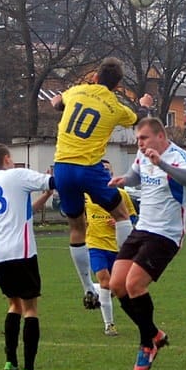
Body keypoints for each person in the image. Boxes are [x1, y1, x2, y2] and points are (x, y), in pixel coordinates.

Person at [50, 56, 153, 309]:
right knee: (121, 213)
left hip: (62, 167)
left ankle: (87, 287)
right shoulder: (114, 106)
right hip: (89, 168)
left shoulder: (76, 91)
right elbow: (136, 119)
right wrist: (144, 105)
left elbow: (56, 103)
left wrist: (61, 104)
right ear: (117, 86)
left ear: (95, 77)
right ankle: (125, 269)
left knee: (76, 227)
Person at [108, 117, 186, 370]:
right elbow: (136, 176)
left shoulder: (178, 156)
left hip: (166, 234)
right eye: (138, 139)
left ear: (161, 136)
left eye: (144, 138)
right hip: (143, 229)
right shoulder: (142, 157)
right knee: (116, 285)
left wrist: (162, 164)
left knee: (134, 285)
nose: (140, 143)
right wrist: (123, 180)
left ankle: (147, 343)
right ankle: (154, 334)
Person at [0, 143, 55, 370]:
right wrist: (55, 178)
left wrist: (45, 196)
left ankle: (10, 362)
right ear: (7, 159)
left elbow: (22, 212)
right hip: (20, 251)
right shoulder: (17, 175)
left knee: (14, 304)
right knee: (31, 308)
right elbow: (51, 181)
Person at [85, 160, 138, 336]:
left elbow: (133, 219)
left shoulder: (121, 194)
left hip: (117, 246)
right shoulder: (86, 195)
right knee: (106, 282)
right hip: (95, 244)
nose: (105, 173)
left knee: (117, 287)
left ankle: (92, 290)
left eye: (108, 170)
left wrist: (120, 222)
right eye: (103, 170)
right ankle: (109, 325)